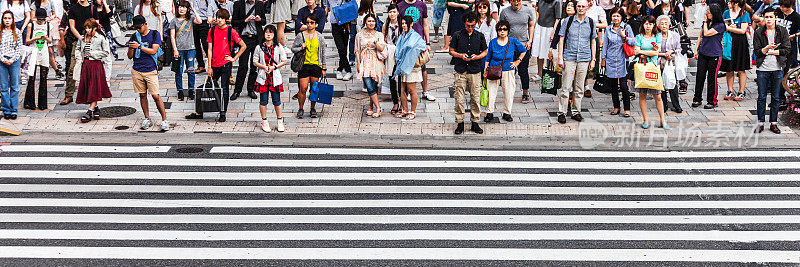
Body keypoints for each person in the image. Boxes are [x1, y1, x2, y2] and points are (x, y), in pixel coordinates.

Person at [186, 9, 245, 122]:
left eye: (222, 18)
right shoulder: (212, 30)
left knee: (225, 89)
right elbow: (209, 49)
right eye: (218, 17)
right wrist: (209, 66)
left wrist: (234, 58)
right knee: (208, 86)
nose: (219, 20)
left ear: (226, 20)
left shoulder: (231, 31)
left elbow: (243, 46)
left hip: (225, 64)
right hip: (214, 64)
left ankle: (223, 113)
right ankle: (200, 111)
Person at [127, 15, 169, 130]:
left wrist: (139, 46)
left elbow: (154, 51)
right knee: (142, 95)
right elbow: (129, 56)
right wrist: (131, 48)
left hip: (150, 70)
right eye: (136, 28)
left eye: (139, 27)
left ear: (145, 24)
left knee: (156, 95)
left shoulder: (155, 34)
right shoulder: (134, 36)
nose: (138, 30)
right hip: (137, 69)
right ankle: (147, 118)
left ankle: (164, 119)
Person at [556, 0, 596, 123]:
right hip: (569, 57)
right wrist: (560, 57)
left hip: (584, 58)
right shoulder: (568, 21)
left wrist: (593, 59)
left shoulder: (590, 22)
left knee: (579, 88)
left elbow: (593, 41)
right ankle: (562, 112)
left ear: (587, 7)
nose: (580, 8)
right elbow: (561, 39)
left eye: (583, 6)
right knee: (566, 87)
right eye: (578, 6)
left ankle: (576, 112)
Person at [449, 11, 485, 134]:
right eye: (468, 25)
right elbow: (451, 51)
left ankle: (475, 121)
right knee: (459, 98)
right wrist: (460, 55)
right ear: (464, 23)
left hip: (475, 70)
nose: (470, 28)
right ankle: (460, 122)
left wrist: (477, 57)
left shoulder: (479, 36)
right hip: (460, 70)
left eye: (472, 26)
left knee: (475, 98)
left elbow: (485, 51)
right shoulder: (457, 35)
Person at [754, 8, 788, 133]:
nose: (768, 19)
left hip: (777, 68)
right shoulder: (759, 32)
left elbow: (787, 49)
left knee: (776, 97)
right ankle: (760, 122)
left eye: (770, 17)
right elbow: (757, 52)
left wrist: (773, 51)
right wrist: (766, 48)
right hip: (762, 68)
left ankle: (773, 122)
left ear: (775, 18)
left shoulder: (782, 31)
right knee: (761, 97)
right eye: (766, 17)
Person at [484, 19, 525, 123]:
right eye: (499, 29)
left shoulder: (513, 41)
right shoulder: (493, 42)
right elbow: (488, 57)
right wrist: (485, 69)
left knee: (509, 92)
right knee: (491, 92)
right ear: (497, 31)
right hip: (493, 69)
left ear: (508, 30)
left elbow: (523, 50)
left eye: (504, 29)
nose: (502, 31)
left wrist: (517, 62)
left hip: (508, 70)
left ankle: (507, 112)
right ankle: (489, 112)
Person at [634, 15, 668, 129]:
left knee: (658, 95)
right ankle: (645, 119)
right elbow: (635, 51)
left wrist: (642, 52)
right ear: (643, 25)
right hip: (642, 67)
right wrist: (647, 52)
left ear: (654, 25)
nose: (648, 26)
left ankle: (663, 120)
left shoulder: (657, 36)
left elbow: (656, 52)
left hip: (653, 67)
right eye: (646, 23)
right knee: (642, 94)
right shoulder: (639, 37)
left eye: (650, 24)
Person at [73, 18, 110, 123]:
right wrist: (79, 58)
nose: (87, 30)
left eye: (89, 28)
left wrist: (93, 54)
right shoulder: (82, 38)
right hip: (85, 65)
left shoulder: (101, 38)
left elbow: (106, 52)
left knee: (94, 87)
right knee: (89, 87)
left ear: (94, 28)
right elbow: (77, 48)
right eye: (86, 28)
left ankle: (89, 111)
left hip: (96, 65)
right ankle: (96, 108)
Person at [397, 0, 435, 101]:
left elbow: (425, 24)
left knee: (422, 66)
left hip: (419, 42)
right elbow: (398, 25)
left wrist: (427, 42)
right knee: (406, 66)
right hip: (406, 42)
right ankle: (409, 91)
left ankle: (425, 91)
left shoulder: (422, 5)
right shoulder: (400, 5)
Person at [291, 14, 327, 119]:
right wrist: (301, 47)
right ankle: (301, 108)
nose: (309, 24)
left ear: (316, 24)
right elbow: (293, 49)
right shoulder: (300, 35)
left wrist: (324, 67)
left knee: (314, 89)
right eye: (307, 22)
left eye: (312, 22)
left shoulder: (320, 36)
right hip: (304, 65)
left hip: (316, 65)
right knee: (303, 88)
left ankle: (312, 108)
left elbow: (323, 53)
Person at [252, 25, 287, 132]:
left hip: (274, 77)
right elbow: (254, 61)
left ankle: (280, 121)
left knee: (277, 100)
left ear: (274, 34)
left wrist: (274, 67)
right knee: (263, 100)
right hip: (263, 77)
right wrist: (263, 67)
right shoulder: (259, 47)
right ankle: (264, 121)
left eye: (271, 33)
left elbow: (284, 60)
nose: (268, 34)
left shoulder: (278, 47)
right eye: (266, 32)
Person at [601, 7, 634, 117]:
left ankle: (627, 108)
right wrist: (603, 59)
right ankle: (616, 107)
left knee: (624, 85)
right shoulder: (608, 29)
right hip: (610, 59)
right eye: (614, 16)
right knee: (613, 85)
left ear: (621, 17)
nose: (615, 18)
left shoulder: (626, 27)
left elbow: (634, 41)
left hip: (623, 59)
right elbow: (605, 44)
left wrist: (625, 37)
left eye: (618, 16)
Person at [499, 0, 534, 103]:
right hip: (509, 46)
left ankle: (525, 93)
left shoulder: (528, 11)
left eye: (518, 0)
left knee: (523, 70)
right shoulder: (505, 12)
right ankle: (509, 92)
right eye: (514, 1)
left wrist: (530, 40)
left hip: (523, 45)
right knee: (510, 71)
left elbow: (531, 25)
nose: (516, 3)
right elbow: (500, 27)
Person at [230, 0, 266, 100]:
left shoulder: (259, 4)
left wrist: (259, 20)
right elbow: (234, 22)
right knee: (243, 66)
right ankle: (237, 90)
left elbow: (264, 21)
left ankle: (251, 89)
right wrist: (245, 20)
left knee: (254, 66)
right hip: (244, 38)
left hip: (256, 38)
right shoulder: (238, 4)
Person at [692, 3, 725, 109]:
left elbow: (707, 33)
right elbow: (701, 35)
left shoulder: (720, 25)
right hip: (703, 53)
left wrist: (705, 21)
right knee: (700, 76)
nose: (706, 13)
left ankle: (712, 101)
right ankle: (697, 98)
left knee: (712, 78)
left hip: (714, 54)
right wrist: (696, 49)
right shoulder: (705, 23)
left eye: (709, 12)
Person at [394, 15, 427, 120]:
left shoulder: (416, 36)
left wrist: (412, 50)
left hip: (412, 65)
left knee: (411, 89)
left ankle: (413, 111)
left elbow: (423, 46)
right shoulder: (402, 35)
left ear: (411, 24)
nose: (403, 25)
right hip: (402, 65)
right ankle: (405, 109)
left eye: (405, 23)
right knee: (401, 89)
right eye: (402, 23)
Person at [60, 0, 92, 105]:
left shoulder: (92, 8)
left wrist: (90, 38)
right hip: (77, 42)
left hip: (91, 42)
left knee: (89, 68)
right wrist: (81, 38)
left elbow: (96, 23)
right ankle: (68, 95)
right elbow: (71, 26)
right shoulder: (73, 9)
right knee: (72, 69)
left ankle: (90, 95)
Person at [355, 13, 386, 118]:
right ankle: (378, 107)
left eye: (373, 21)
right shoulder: (359, 35)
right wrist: (358, 64)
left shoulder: (379, 34)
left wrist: (375, 43)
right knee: (368, 84)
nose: (371, 23)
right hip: (364, 61)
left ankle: (370, 106)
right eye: (369, 21)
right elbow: (357, 51)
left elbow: (381, 48)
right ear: (365, 22)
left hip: (375, 61)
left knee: (373, 85)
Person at [170, 0, 201, 101]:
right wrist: (175, 50)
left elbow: (200, 21)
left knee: (191, 70)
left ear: (187, 9)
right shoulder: (174, 20)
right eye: (180, 7)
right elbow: (172, 37)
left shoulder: (191, 19)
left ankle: (191, 90)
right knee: (178, 71)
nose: (181, 9)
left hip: (190, 48)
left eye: (184, 7)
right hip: (179, 50)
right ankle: (180, 90)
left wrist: (193, 9)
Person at [720, 0, 751, 102]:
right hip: (728, 43)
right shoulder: (726, 13)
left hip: (740, 43)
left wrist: (729, 28)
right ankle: (729, 90)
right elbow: (722, 26)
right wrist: (728, 28)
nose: (728, 3)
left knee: (741, 68)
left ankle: (741, 91)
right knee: (729, 68)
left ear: (736, 3)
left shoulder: (744, 14)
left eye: (730, 1)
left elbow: (742, 30)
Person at [23, 8, 51, 111]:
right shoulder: (32, 25)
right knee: (32, 77)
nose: (41, 21)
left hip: (43, 52)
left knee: (43, 77)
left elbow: (50, 40)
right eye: (39, 19)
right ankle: (29, 103)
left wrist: (45, 38)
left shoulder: (48, 25)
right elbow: (27, 41)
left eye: (43, 19)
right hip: (34, 51)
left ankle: (42, 104)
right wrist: (35, 38)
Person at [657, 15, 683, 113]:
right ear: (658, 25)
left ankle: (676, 105)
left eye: (666, 23)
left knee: (673, 84)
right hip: (660, 62)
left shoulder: (675, 35)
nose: (664, 26)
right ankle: (664, 105)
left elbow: (679, 49)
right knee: (661, 84)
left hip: (671, 62)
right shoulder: (657, 36)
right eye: (662, 24)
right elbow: (654, 51)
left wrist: (671, 52)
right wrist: (663, 54)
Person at [776, 0, 799, 110]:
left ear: (789, 6)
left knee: (784, 71)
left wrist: (794, 35)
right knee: (776, 71)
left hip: (789, 47)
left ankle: (782, 98)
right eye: (780, 6)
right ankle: (777, 97)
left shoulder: (796, 17)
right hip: (776, 46)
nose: (781, 8)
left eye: (784, 6)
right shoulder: (778, 13)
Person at [532, 0, 560, 82]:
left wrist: (553, 32)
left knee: (549, 52)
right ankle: (539, 73)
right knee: (539, 52)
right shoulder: (541, 0)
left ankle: (549, 73)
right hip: (539, 27)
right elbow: (538, 14)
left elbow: (558, 19)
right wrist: (534, 26)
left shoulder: (557, 1)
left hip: (550, 28)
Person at [188, 0, 219, 74]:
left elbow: (214, 9)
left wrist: (213, 18)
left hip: (204, 22)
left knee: (206, 45)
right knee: (196, 45)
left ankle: (213, 65)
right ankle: (201, 65)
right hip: (192, 22)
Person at [326, 0, 354, 81]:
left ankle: (340, 69)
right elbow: (328, 7)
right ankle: (348, 70)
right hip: (334, 24)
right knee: (340, 48)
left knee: (344, 49)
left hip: (345, 24)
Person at [0, 11, 21, 120]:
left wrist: (12, 60)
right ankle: (6, 109)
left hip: (14, 61)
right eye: (5, 18)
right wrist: (3, 59)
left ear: (12, 20)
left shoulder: (17, 32)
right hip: (2, 61)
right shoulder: (0, 32)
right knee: (3, 87)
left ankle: (14, 110)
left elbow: (19, 49)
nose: (7, 20)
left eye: (9, 18)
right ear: (2, 19)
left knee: (14, 86)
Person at [383, 4, 402, 115]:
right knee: (391, 78)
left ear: (398, 12)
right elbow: (384, 39)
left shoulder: (401, 24)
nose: (392, 14)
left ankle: (402, 102)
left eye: (394, 12)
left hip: (400, 53)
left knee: (401, 79)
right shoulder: (386, 25)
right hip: (390, 54)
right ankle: (395, 102)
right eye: (390, 12)